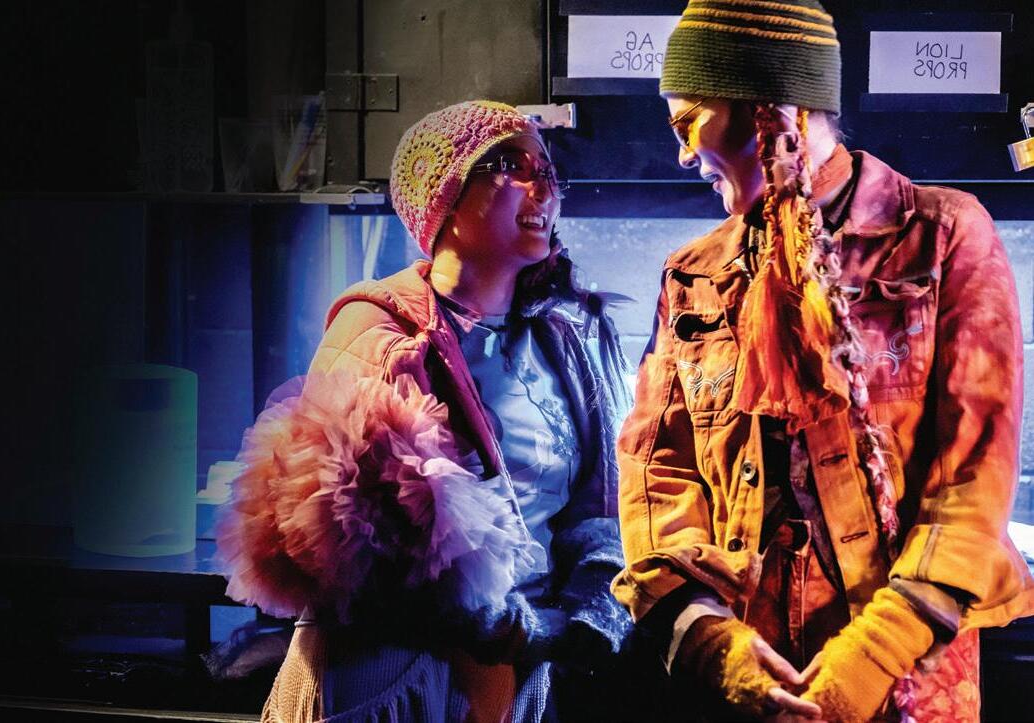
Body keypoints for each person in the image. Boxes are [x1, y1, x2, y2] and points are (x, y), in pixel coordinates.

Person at [613, 2, 1034, 720]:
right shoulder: (693, 273)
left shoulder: (939, 235)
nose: (683, 153)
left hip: (906, 680)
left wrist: (873, 654)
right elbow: (656, 467)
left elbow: (975, 471)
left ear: (766, 108)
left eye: (688, 121)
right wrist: (707, 637)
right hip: (749, 681)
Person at [217, 100, 638, 723]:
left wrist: (588, 609)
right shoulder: (379, 332)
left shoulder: (567, 339)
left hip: (516, 681)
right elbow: (358, 547)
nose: (542, 187)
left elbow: (602, 506)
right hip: (392, 682)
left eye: (548, 170)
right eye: (510, 165)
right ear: (444, 198)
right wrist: (507, 628)